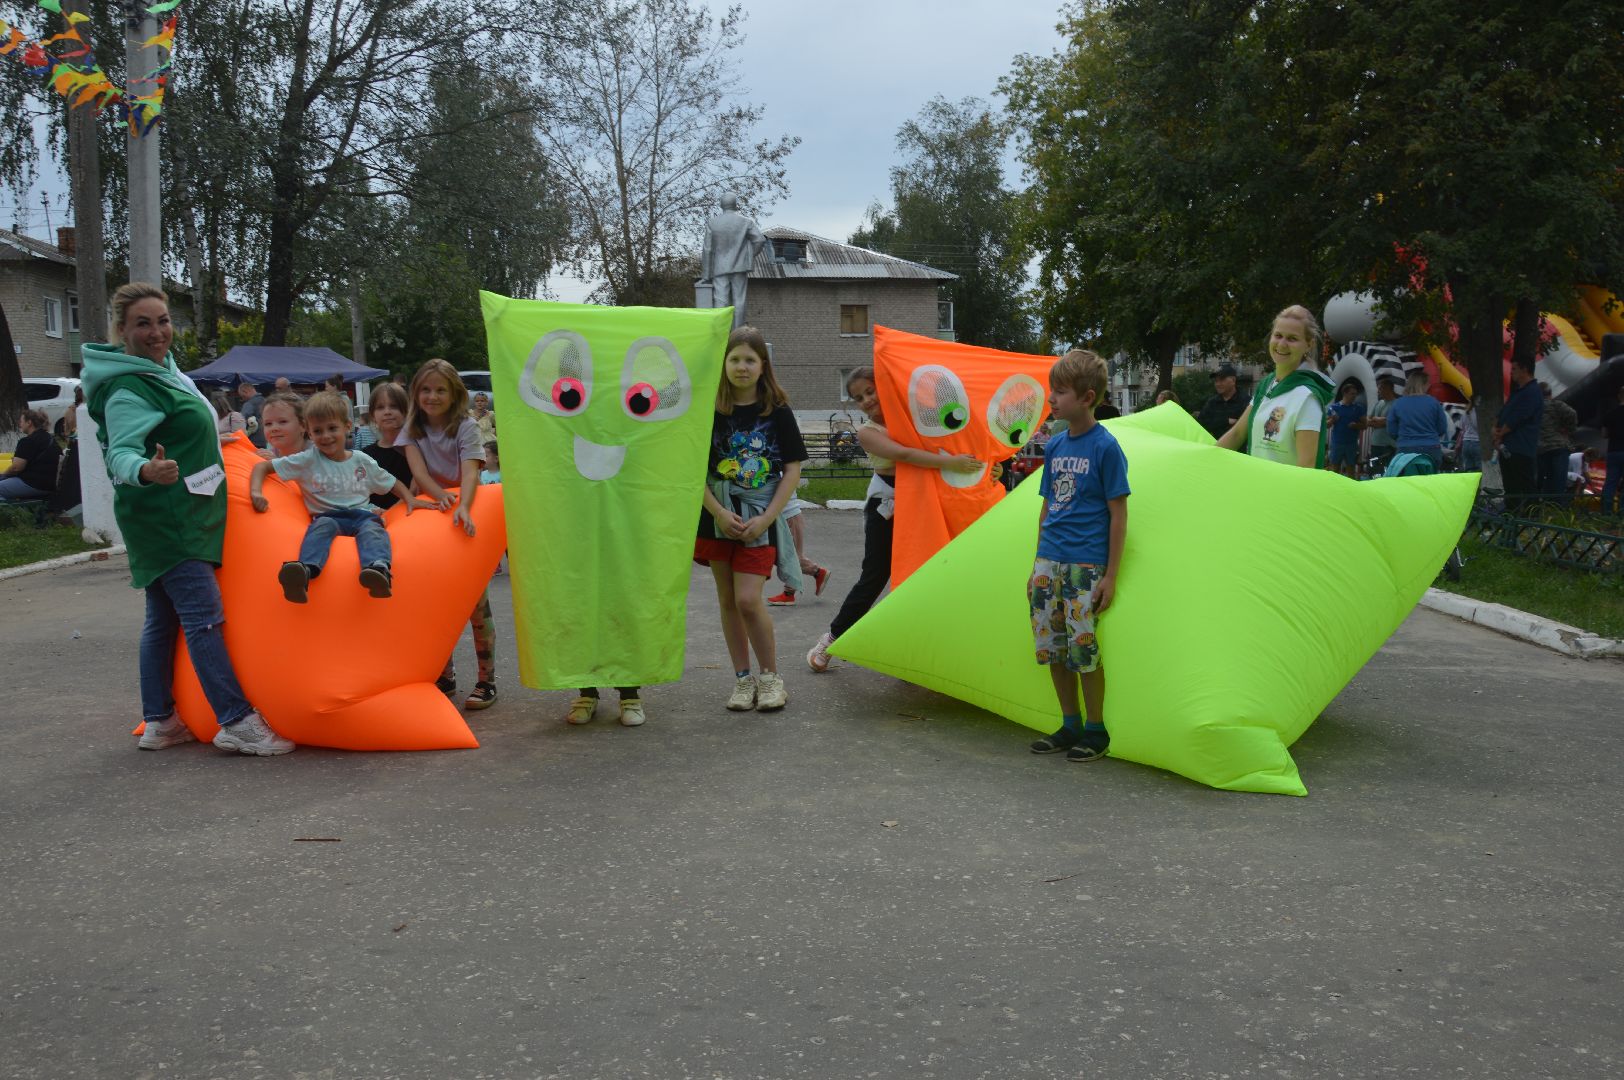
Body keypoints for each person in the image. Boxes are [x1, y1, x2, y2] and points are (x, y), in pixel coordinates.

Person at [81, 282, 292, 755]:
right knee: (203, 618)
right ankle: (235, 720)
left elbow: (184, 427)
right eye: (143, 324)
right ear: (121, 330)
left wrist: (222, 440)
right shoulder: (128, 388)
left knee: (162, 619)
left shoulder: (163, 370)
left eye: (163, 321)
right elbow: (119, 453)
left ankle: (160, 721)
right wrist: (145, 470)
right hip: (168, 516)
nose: (157, 332)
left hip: (176, 513)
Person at [806, 368, 982, 673]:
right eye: (858, 397)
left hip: (925, 503)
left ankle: (919, 652)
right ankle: (832, 638)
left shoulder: (917, 418)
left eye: (870, 391)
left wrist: (986, 468)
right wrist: (950, 463)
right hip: (886, 505)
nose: (866, 400)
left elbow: (956, 439)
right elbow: (906, 455)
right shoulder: (867, 432)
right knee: (875, 576)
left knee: (925, 577)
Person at [1025, 349, 1129, 763]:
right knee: (1053, 647)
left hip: (1086, 565)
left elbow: (1118, 514)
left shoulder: (1106, 447)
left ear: (1087, 398)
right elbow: (1047, 506)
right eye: (1052, 389)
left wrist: (1111, 575)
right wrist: (1036, 564)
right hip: (1049, 561)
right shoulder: (1054, 445)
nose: (1051, 398)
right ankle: (1069, 723)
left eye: (1060, 391)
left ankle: (1095, 730)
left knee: (1083, 650)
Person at [697, 325, 805, 712]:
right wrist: (718, 511)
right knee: (728, 600)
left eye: (750, 360)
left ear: (763, 366)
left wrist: (767, 519)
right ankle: (743, 681)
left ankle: (771, 679)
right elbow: (691, 469)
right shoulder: (707, 411)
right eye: (734, 359)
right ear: (723, 364)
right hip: (718, 516)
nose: (741, 367)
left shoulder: (777, 412)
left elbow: (791, 470)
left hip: (760, 518)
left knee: (747, 599)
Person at [249, 390, 423, 603]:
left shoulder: (361, 460)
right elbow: (262, 467)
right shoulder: (307, 459)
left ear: (347, 426)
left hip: (362, 515)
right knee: (320, 530)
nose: (326, 436)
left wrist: (409, 499)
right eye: (318, 431)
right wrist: (256, 491)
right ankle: (303, 572)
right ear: (309, 433)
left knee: (374, 531)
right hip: (327, 516)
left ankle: (378, 570)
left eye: (332, 428)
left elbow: (391, 482)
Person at [399, 358, 497, 711]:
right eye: (425, 389)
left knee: (475, 605)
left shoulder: (466, 426)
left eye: (440, 389)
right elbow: (419, 471)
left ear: (454, 393)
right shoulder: (413, 428)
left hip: (462, 513)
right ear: (416, 393)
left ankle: (487, 680)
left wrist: (462, 506)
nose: (432, 396)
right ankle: (444, 675)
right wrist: (440, 497)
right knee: (435, 605)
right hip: (432, 515)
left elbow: (470, 472)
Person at [1216, 305, 1334, 467]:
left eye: (1292, 338)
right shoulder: (1266, 385)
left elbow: (1306, 466)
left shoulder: (1307, 397)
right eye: (1278, 335)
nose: (1282, 344)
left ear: (1309, 345)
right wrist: (1202, 460)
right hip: (1256, 481)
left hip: (1285, 484)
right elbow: (1237, 434)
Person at [700, 192, 768, 329]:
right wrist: (749, 256)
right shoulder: (746, 222)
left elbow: (707, 249)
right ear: (735, 205)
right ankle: (739, 333)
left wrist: (706, 275)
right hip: (740, 266)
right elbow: (760, 240)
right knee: (739, 300)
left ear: (721, 205)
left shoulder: (713, 223)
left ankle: (721, 332)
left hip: (719, 268)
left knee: (720, 300)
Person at [1494, 360, 1542, 511]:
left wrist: (1500, 433)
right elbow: (1504, 412)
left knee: (1525, 484)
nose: (1511, 372)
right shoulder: (1518, 392)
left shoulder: (1532, 391)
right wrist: (1495, 429)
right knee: (1510, 485)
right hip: (1508, 446)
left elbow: (1519, 417)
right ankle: (1511, 514)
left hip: (1521, 446)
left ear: (1524, 369)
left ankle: (1531, 515)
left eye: (1514, 369)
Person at [356, 382, 413, 509]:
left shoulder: (415, 450)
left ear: (406, 411)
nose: (387, 412)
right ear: (372, 416)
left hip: (410, 514)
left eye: (394, 406)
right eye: (380, 407)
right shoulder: (365, 455)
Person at [1384, 371, 1450, 472]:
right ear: (1424, 384)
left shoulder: (1398, 403)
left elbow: (1391, 430)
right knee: (1430, 479)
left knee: (1408, 479)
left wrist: (1402, 438)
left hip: (1405, 449)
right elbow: (1442, 428)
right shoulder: (1433, 403)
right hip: (1431, 447)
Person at [765, 507, 830, 606]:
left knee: (792, 557)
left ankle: (789, 594)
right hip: (785, 516)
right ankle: (817, 572)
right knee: (785, 556)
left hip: (789, 517)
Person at [0, 408, 61, 501]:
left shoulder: (27, 441)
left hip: (33, 483)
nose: (20, 424)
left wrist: (3, 475)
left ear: (29, 423)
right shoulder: (49, 438)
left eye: (21, 421)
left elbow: (16, 468)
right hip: (50, 485)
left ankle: (8, 510)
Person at [1535, 383, 1578, 499]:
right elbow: (1572, 413)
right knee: (1559, 480)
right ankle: (1556, 505)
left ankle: (1543, 503)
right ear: (1550, 393)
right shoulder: (1556, 404)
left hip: (1540, 449)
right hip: (1558, 447)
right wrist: (1569, 430)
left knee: (1545, 479)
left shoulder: (1534, 407)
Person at [1325, 381, 1366, 477]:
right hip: (1337, 443)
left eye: (1355, 394)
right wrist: (1332, 420)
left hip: (1351, 444)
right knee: (1334, 470)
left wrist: (1356, 425)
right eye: (1352, 394)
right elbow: (1326, 425)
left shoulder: (1358, 408)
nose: (1354, 396)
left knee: (1351, 470)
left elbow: (1365, 425)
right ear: (1345, 393)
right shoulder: (1334, 408)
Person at [1196, 363, 1248, 439]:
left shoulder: (1246, 401)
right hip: (1216, 445)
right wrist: (1225, 421)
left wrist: (1215, 421)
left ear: (1233, 380)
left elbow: (1248, 427)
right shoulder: (1212, 402)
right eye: (1216, 381)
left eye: (1222, 380)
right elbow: (1201, 424)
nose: (1218, 384)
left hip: (1240, 446)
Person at [1363, 377, 1400, 473]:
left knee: (1387, 471)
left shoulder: (1397, 404)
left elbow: (1392, 422)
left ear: (1388, 389)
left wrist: (1379, 421)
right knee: (1375, 472)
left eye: (1380, 389)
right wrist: (1380, 421)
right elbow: (1367, 420)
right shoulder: (1379, 403)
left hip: (1388, 445)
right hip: (1375, 444)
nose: (1378, 391)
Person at [258, 392, 308, 459]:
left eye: (282, 421)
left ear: (303, 425)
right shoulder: (268, 453)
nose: (274, 428)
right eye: (268, 424)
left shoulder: (316, 454)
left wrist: (274, 463)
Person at [1599, 384, 1624, 516]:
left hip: (1613, 451)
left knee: (1610, 482)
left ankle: (1606, 512)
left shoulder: (1610, 413)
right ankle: (1621, 514)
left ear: (1619, 396)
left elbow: (1604, 434)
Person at [1456, 401, 1483, 472]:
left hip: (1466, 443)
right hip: (1477, 442)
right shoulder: (1480, 412)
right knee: (1480, 470)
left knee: (1468, 470)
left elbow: (1462, 429)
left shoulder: (1465, 412)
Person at [238, 381, 266, 447]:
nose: (243, 399)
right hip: (265, 439)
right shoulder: (265, 401)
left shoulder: (249, 403)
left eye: (242, 396)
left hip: (253, 441)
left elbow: (241, 420)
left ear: (245, 392)